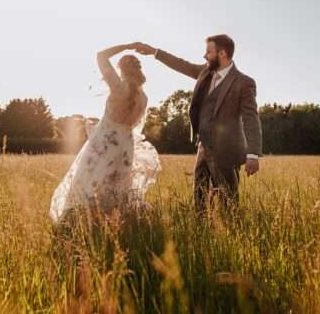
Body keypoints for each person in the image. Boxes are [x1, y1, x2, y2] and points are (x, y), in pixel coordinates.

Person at [135, 35, 262, 213]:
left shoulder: (244, 83)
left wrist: (253, 154)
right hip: (203, 147)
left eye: (209, 52)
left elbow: (251, 118)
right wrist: (154, 52)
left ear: (223, 53)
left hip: (227, 150)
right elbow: (181, 64)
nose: (205, 56)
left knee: (229, 203)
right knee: (200, 199)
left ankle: (230, 236)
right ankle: (203, 232)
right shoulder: (205, 71)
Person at [49, 43, 161, 223]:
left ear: (121, 70)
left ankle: (84, 224)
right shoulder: (144, 98)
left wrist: (127, 46)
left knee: (87, 182)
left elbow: (101, 55)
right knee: (117, 188)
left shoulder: (118, 87)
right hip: (126, 146)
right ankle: (114, 224)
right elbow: (131, 126)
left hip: (104, 143)